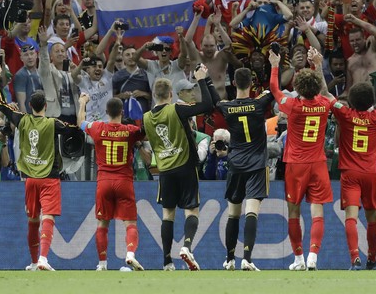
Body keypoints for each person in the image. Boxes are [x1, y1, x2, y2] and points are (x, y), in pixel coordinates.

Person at [0, 74, 81, 271]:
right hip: (49, 178)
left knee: (33, 221)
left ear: (29, 105)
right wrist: (82, 104)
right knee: (48, 218)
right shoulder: (53, 123)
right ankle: (43, 258)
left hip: (30, 180)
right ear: (45, 105)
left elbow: (1, 104)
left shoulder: (22, 120)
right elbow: (76, 129)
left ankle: (34, 262)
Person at [142, 64, 218, 271]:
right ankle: (187, 247)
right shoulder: (176, 108)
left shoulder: (147, 117)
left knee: (168, 214)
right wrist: (201, 79)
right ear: (170, 94)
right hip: (185, 165)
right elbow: (207, 105)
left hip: (165, 170)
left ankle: (167, 261)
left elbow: (142, 136)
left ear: (154, 95)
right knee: (191, 210)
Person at [332, 61, 376, 270]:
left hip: (350, 174)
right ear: (371, 100)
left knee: (351, 217)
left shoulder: (345, 115)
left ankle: (355, 258)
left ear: (351, 101)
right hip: (371, 174)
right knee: (372, 218)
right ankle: (372, 257)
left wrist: (317, 66)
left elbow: (327, 96)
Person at [269, 46, 334, 271]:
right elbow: (326, 93)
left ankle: (299, 259)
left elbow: (274, 89)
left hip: (296, 165)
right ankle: (313, 256)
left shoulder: (292, 106)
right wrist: (318, 65)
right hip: (318, 164)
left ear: (296, 88)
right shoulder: (324, 105)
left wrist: (275, 65)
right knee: (317, 212)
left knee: (294, 212)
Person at [217, 67, 275, 271]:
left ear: (233, 83)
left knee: (233, 213)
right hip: (257, 164)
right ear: (251, 83)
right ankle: (247, 259)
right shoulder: (259, 103)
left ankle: (229, 259)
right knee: (252, 211)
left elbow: (212, 100)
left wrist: (203, 80)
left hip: (236, 164)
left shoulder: (226, 106)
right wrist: (275, 65)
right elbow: (274, 89)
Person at [78, 95, 145, 271]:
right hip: (124, 182)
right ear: (122, 112)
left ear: (106, 112)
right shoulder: (130, 131)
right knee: (130, 223)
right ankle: (130, 254)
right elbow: (146, 133)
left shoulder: (97, 128)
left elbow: (81, 123)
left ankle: (102, 264)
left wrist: (82, 103)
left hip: (104, 182)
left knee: (102, 224)